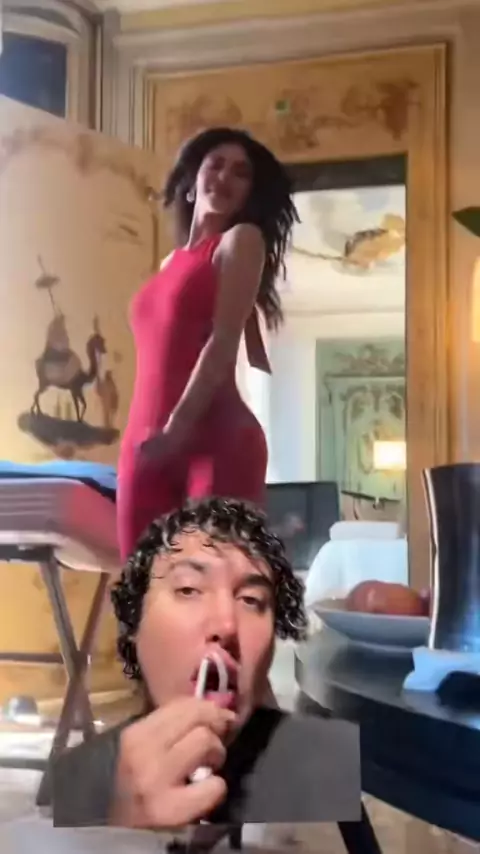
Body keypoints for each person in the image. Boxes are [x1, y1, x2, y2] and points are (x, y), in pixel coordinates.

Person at [53, 497, 307, 833]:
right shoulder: (69, 786)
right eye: (188, 589)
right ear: (135, 625)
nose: (226, 625)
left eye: (251, 600)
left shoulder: (325, 771)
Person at [117, 127, 298, 560]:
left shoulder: (241, 240)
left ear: (249, 193)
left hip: (217, 443)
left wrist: (175, 431)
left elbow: (222, 341)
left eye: (241, 173)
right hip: (146, 440)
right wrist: (158, 438)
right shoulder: (169, 263)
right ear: (192, 181)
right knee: (143, 587)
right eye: (215, 165)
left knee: (215, 587)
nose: (225, 177)